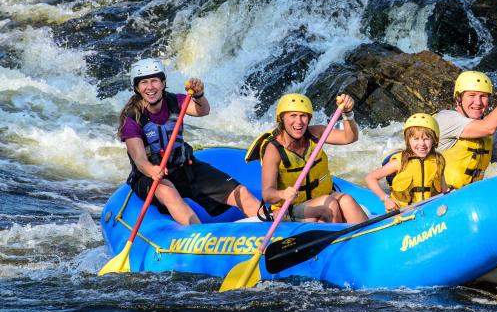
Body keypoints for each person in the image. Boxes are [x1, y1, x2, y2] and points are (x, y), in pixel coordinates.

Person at [117, 58, 259, 225]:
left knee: (241, 193)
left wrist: (198, 95)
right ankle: (198, 238)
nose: (150, 87)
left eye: (154, 80)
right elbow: (140, 159)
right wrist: (152, 170)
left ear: (163, 83)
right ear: (137, 88)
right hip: (151, 176)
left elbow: (203, 110)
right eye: (144, 83)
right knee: (169, 193)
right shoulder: (132, 119)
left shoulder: (176, 101)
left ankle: (273, 229)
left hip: (184, 168)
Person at [246, 93, 368, 223]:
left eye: (303, 116)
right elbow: (267, 193)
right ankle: (337, 240)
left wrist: (348, 114)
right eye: (293, 115)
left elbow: (349, 137)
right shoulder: (273, 149)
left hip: (322, 196)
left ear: (309, 119)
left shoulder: (317, 133)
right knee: (330, 205)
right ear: (282, 118)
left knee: (347, 201)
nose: (298, 122)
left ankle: (371, 237)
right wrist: (282, 194)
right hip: (291, 207)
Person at [434, 70, 497, 189]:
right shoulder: (446, 119)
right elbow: (489, 127)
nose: (478, 102)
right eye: (471, 95)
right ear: (458, 99)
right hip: (439, 201)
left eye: (483, 96)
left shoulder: (489, 135)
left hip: (470, 199)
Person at [365, 113, 447, 212]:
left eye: (426, 139)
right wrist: (385, 199)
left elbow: (444, 190)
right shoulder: (399, 162)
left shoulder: (438, 161)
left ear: (434, 140)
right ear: (408, 140)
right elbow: (370, 178)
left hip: (429, 211)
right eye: (416, 139)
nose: (421, 144)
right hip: (402, 214)